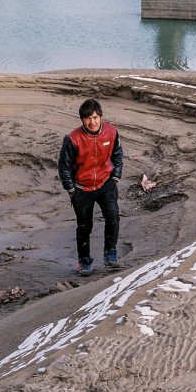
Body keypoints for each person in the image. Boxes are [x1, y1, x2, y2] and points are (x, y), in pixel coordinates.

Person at [58, 98, 123, 276]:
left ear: (100, 117)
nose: (92, 122)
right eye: (88, 118)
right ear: (82, 120)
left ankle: (110, 254)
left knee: (113, 216)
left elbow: (118, 155)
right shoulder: (72, 139)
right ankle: (84, 261)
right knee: (84, 226)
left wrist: (115, 176)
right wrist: (71, 190)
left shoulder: (111, 132)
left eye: (95, 117)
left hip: (105, 183)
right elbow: (63, 166)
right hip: (81, 188)